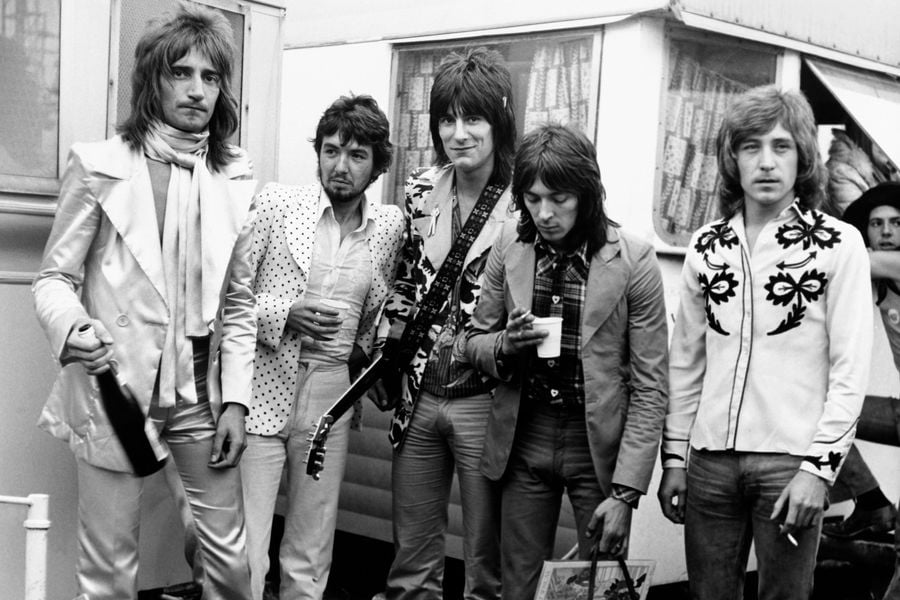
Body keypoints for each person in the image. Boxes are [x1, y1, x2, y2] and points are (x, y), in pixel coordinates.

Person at [32, 4, 256, 599]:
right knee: (109, 571)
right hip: (116, 389)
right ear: (152, 80)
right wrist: (72, 327)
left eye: (210, 77)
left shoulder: (234, 176)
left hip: (199, 396)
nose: (197, 90)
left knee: (231, 564)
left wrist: (236, 401)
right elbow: (52, 278)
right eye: (181, 73)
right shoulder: (98, 165)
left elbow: (239, 302)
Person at [657, 85, 873, 599]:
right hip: (709, 462)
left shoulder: (837, 244)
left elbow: (849, 371)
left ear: (803, 156)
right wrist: (674, 460)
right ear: (733, 159)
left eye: (781, 146)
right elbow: (685, 362)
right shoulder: (707, 245)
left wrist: (819, 472)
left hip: (790, 462)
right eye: (751, 147)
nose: (766, 162)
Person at [463, 123, 669, 600]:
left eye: (559, 198)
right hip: (525, 434)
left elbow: (650, 386)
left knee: (601, 584)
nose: (545, 213)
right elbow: (472, 342)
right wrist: (506, 345)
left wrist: (625, 493)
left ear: (587, 193)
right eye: (533, 199)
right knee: (518, 584)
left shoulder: (634, 260)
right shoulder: (509, 244)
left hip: (596, 444)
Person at [240, 94, 404, 600]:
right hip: (263, 384)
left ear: (377, 164)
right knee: (244, 547)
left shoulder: (389, 227)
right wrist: (282, 313)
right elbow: (228, 297)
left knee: (310, 548)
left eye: (357, 155)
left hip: (332, 394)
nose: (341, 165)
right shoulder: (277, 204)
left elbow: (379, 314)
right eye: (331, 150)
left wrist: (376, 363)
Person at [375, 47, 517, 600]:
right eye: (447, 119)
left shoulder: (525, 201)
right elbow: (405, 282)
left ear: (499, 120)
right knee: (411, 558)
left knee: (486, 561)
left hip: (486, 396)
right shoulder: (419, 191)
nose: (459, 134)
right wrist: (385, 353)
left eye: (473, 118)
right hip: (419, 395)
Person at [831, 182, 900, 599]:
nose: (887, 231)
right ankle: (873, 503)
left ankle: (875, 505)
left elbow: (843, 259)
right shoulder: (877, 277)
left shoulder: (887, 264)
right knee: (819, 409)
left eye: (896, 222)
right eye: (877, 224)